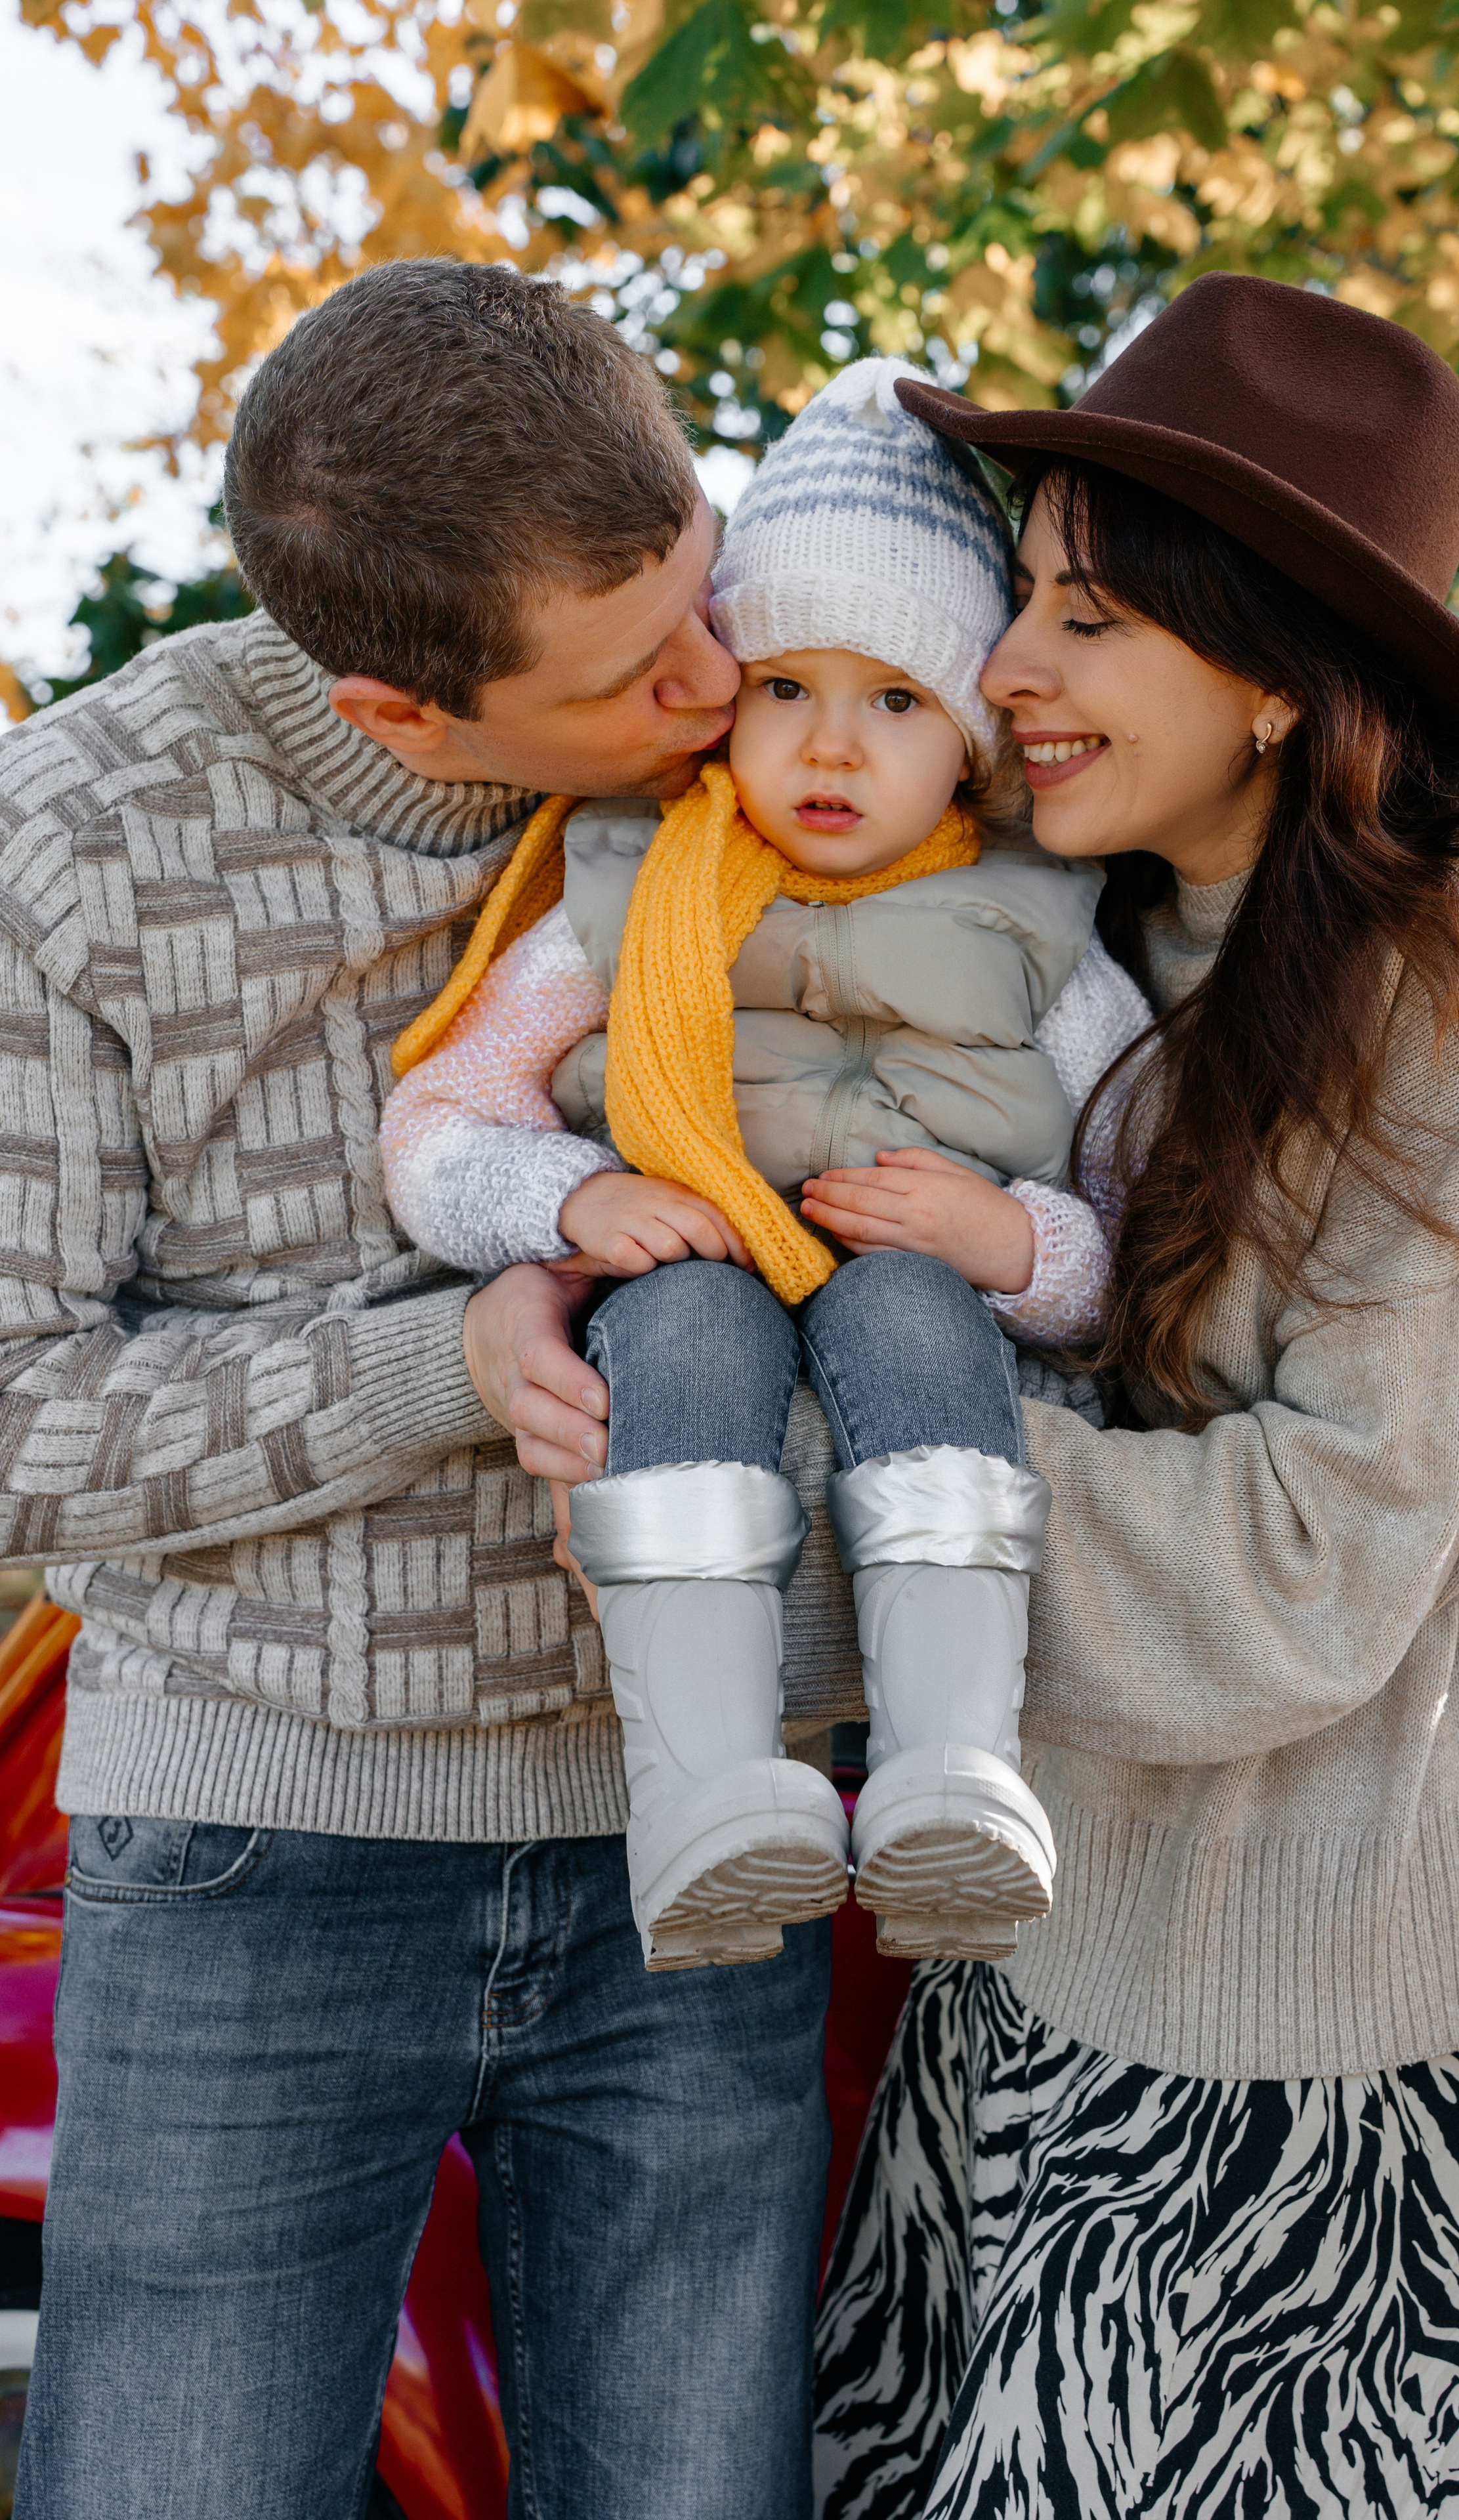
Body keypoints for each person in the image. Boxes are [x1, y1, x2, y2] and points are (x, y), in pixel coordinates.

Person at [800, 274, 1459, 2515]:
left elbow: (1308, 1565)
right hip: (1065, 1951)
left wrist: (864, 1480)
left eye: (1086, 618)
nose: (1010, 673)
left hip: (1375, 2002)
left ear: (1280, 669)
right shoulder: (1089, 930)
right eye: (1020, 603)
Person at [3, 259, 841, 2520]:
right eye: (635, 671)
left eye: (700, 581)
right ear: (411, 714)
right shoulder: (65, 850)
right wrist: (441, 1363)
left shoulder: (819, 706)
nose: (723, 677)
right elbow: (14, 1421)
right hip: (263, 1851)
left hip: (708, 1836)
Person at [379, 360, 1152, 1974]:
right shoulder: (623, 894)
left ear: (970, 743)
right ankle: (702, 1785)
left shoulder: (1047, 938)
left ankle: (956, 1769)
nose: (828, 746)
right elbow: (439, 1126)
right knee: (684, 1326)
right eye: (783, 687)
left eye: (892, 702)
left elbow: (1142, 1240)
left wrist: (1008, 1241)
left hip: (919, 1303)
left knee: (910, 1318)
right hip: (689, 1290)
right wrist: (568, 1200)